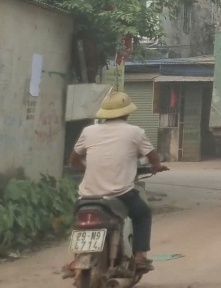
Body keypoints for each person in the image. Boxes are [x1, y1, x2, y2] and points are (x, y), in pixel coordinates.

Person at [66, 90, 166, 273]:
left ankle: (76, 258)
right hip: (121, 194)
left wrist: (87, 168)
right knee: (143, 214)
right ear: (127, 113)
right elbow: (152, 157)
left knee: (77, 221)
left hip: (88, 195)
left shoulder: (88, 131)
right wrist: (157, 166)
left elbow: (73, 159)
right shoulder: (135, 132)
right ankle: (139, 255)